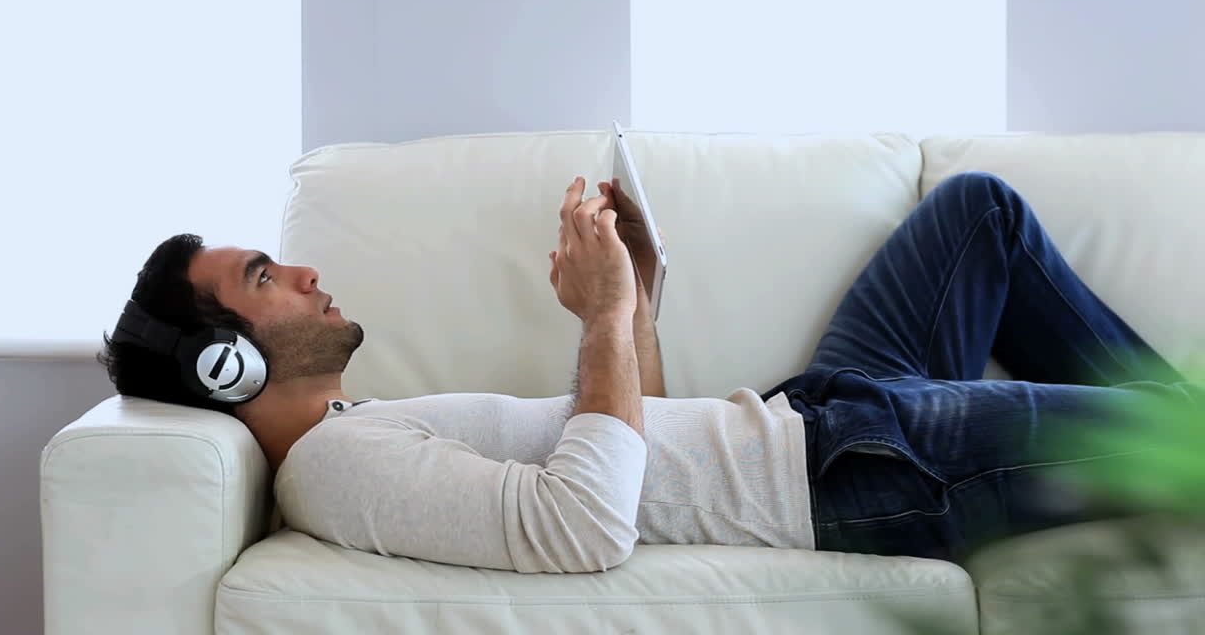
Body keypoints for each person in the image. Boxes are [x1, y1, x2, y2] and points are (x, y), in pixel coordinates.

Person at [98, 171, 1199, 573]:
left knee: (976, 214)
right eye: (262, 275)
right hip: (860, 470)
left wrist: (640, 295)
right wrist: (601, 313)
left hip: (813, 412)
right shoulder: (334, 475)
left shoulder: (361, 426)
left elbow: (646, 445)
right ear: (226, 360)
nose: (301, 269)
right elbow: (585, 528)